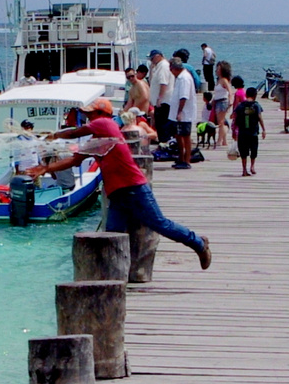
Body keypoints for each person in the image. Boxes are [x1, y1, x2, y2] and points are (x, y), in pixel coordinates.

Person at [26, 97, 210, 269]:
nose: (88, 117)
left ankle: (198, 243)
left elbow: (76, 132)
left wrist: (55, 135)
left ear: (102, 114)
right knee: (111, 235)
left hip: (134, 187)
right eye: (87, 114)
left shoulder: (106, 123)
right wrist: (45, 169)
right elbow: (74, 161)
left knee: (159, 224)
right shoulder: (97, 142)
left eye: (91, 114)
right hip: (117, 193)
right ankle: (111, 274)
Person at [169, 50, 198, 169]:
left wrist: (180, 112)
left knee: (185, 136)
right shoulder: (180, 78)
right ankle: (181, 158)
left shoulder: (184, 78)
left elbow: (184, 96)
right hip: (178, 112)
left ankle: (187, 160)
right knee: (178, 135)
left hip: (184, 113)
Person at [232, 86, 265, 176]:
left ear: (246, 95)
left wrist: (233, 131)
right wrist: (263, 130)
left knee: (243, 152)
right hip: (253, 132)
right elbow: (259, 117)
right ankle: (252, 166)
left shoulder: (240, 106)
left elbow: (235, 118)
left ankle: (244, 170)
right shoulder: (256, 105)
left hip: (242, 133)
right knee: (253, 150)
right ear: (255, 96)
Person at [147, 50, 173, 141]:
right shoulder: (158, 67)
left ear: (158, 56)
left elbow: (163, 83)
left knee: (163, 124)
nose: (151, 60)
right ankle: (162, 142)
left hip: (163, 102)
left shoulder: (163, 66)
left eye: (152, 58)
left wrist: (160, 98)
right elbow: (151, 81)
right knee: (159, 124)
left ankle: (164, 142)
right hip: (159, 102)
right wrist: (151, 69)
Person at [208, 61, 232, 148]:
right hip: (217, 101)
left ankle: (219, 140)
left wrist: (230, 101)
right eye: (217, 69)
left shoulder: (224, 80)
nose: (217, 70)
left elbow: (229, 91)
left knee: (220, 122)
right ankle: (224, 140)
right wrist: (213, 101)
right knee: (221, 122)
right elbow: (218, 93)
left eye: (219, 69)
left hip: (222, 102)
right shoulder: (218, 80)